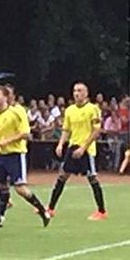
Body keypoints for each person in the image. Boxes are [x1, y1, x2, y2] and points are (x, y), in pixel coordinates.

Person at [0, 85, 50, 228]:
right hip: (1, 155)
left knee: (20, 189)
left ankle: (42, 210)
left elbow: (26, 133)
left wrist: (8, 140)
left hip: (15, 154)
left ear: (5, 97)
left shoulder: (16, 112)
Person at [46, 82, 108, 220]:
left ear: (86, 93)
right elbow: (66, 130)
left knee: (92, 178)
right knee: (62, 176)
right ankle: (50, 208)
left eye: (80, 90)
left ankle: (102, 211)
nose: (76, 93)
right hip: (73, 147)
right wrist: (61, 144)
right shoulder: (70, 110)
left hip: (87, 149)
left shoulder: (93, 109)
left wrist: (83, 148)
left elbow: (96, 130)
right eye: (75, 90)